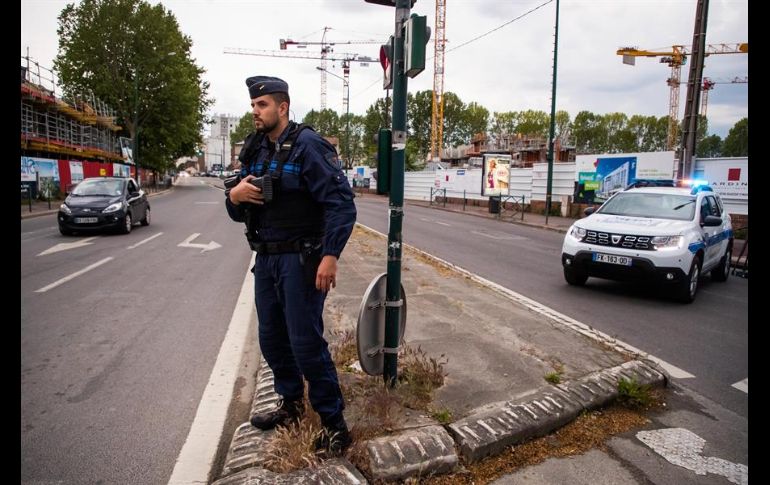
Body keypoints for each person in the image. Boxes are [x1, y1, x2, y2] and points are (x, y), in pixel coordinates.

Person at [224, 75, 357, 456]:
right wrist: (235, 195)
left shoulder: (308, 146)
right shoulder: (255, 150)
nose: (255, 111)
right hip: (266, 259)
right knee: (272, 339)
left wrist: (330, 255)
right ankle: (291, 404)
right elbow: (236, 211)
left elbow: (341, 204)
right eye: (253, 105)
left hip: (302, 260)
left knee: (305, 343)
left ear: (282, 107)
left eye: (262, 105)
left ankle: (334, 425)